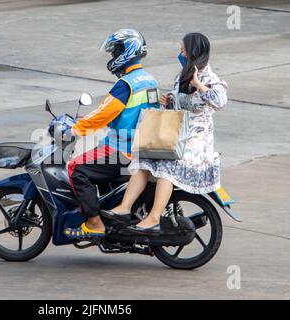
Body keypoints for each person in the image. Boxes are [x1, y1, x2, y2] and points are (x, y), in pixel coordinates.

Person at [110, 32, 228, 233]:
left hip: (197, 139)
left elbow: (220, 101)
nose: (180, 53)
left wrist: (199, 86)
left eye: (182, 50)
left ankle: (154, 217)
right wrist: (170, 101)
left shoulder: (210, 78)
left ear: (193, 52)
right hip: (177, 133)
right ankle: (124, 207)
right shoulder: (181, 76)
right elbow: (180, 108)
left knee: (167, 166)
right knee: (143, 158)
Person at [64, 29, 160, 240]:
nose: (113, 57)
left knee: (76, 167)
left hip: (121, 149)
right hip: (141, 148)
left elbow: (104, 114)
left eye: (115, 51)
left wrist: (76, 128)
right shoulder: (150, 80)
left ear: (127, 51)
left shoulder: (126, 84)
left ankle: (94, 222)